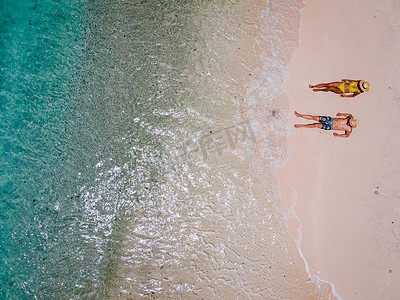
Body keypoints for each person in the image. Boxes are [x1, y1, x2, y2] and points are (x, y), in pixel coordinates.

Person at [294, 111, 358, 138]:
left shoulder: (349, 129)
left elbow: (346, 136)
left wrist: (338, 135)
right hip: (330, 120)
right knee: (314, 117)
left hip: (330, 126)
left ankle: (301, 125)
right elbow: (349, 114)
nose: (348, 122)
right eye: (349, 121)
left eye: (349, 123)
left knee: (315, 125)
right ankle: (300, 115)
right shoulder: (350, 117)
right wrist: (341, 114)